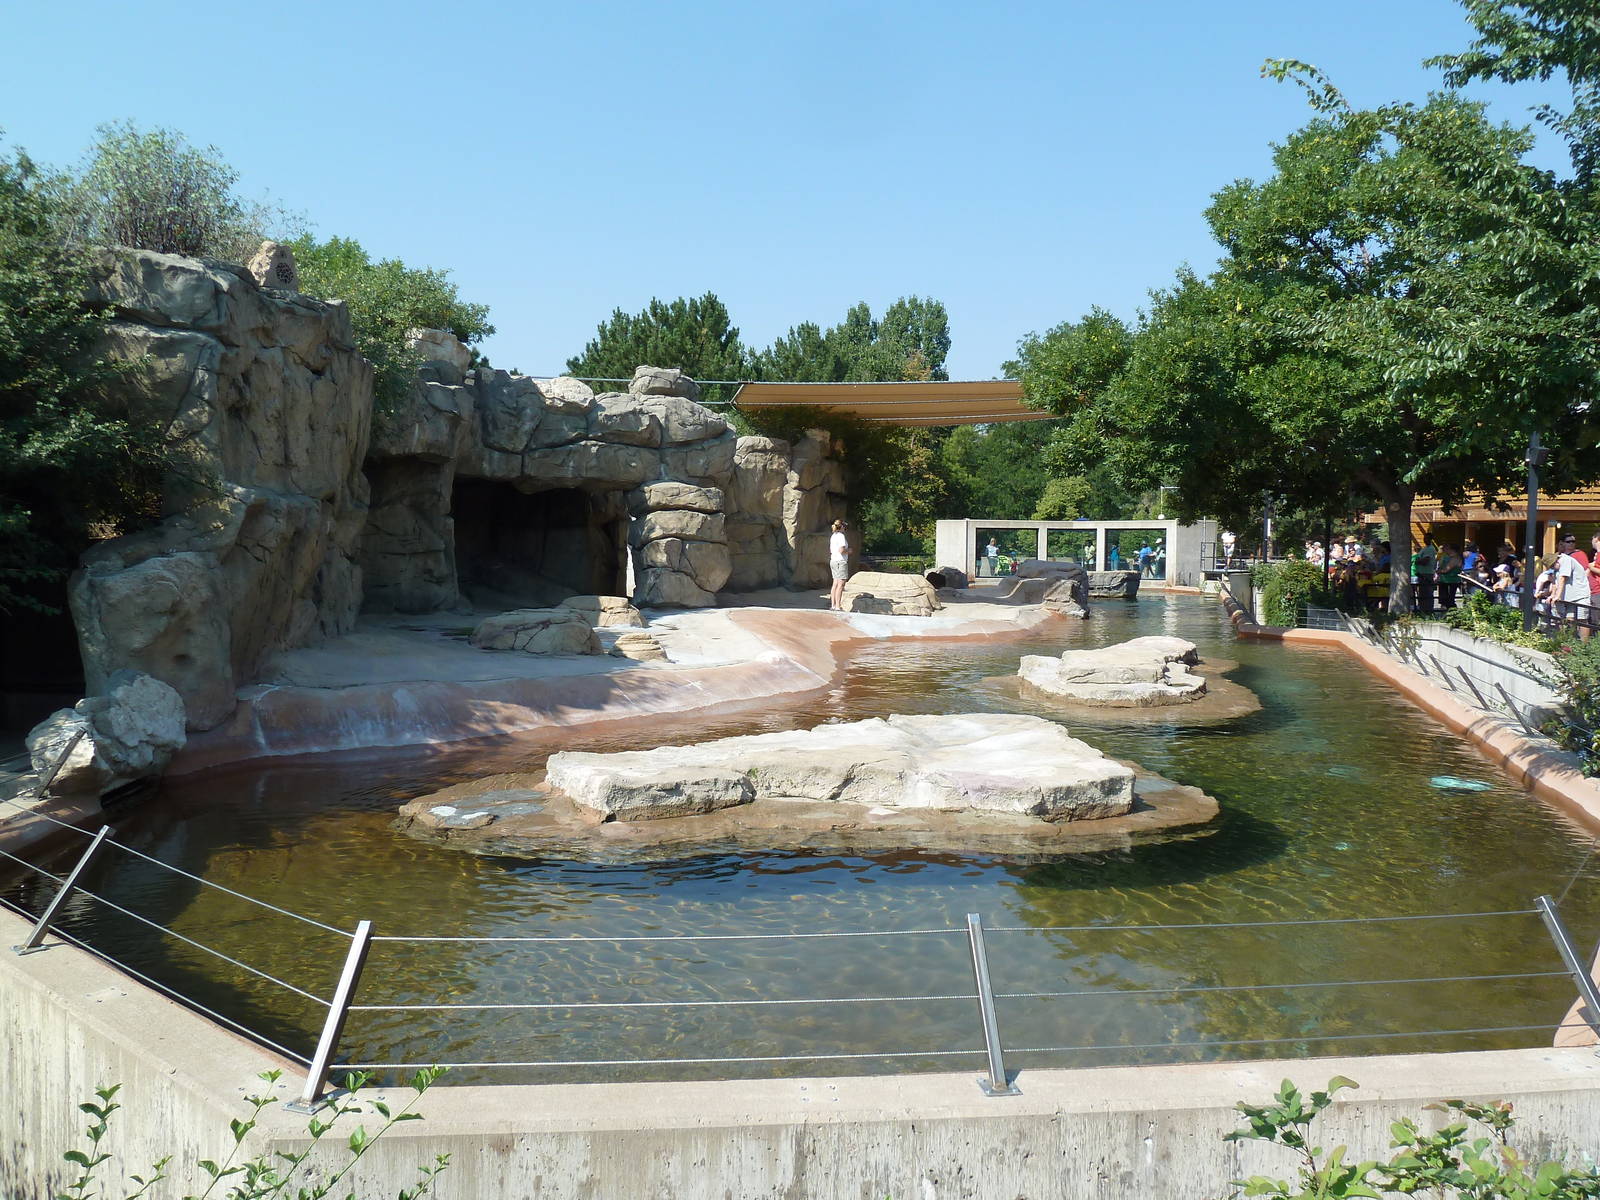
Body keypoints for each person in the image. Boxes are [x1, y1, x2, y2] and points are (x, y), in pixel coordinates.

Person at [1553, 533, 1593, 638]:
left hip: (1579, 594)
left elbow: (1586, 570)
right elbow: (1556, 579)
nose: (1571, 544)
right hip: (1568, 596)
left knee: (1581, 619)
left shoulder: (1578, 554)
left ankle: (1582, 649)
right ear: (1561, 544)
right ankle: (1567, 644)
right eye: (1569, 541)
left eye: (1573, 541)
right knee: (1567, 620)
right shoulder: (1560, 557)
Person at [828, 519, 850, 610]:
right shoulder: (841, 536)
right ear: (841, 527)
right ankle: (837, 606)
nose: (845, 528)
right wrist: (849, 551)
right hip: (840, 562)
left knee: (835, 583)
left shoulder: (833, 536)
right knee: (841, 584)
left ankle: (833, 605)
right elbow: (841, 550)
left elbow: (830, 550)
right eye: (844, 526)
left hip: (833, 560)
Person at [1412, 536, 1437, 615]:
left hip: (1427, 573)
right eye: (1425, 538)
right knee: (1422, 593)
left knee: (1427, 592)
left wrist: (1418, 561)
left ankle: (1428, 611)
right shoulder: (1425, 548)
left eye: (1427, 538)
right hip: (1421, 573)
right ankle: (1422, 610)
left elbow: (1426, 560)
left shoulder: (1430, 549)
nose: (1425, 540)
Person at [1436, 543, 1462, 610]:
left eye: (1447, 549)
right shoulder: (1446, 557)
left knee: (1450, 600)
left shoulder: (1456, 558)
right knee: (1444, 600)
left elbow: (1446, 570)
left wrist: (1438, 571)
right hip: (1444, 581)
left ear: (1452, 550)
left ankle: (1452, 612)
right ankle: (1445, 612)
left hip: (1451, 581)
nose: (1445, 550)